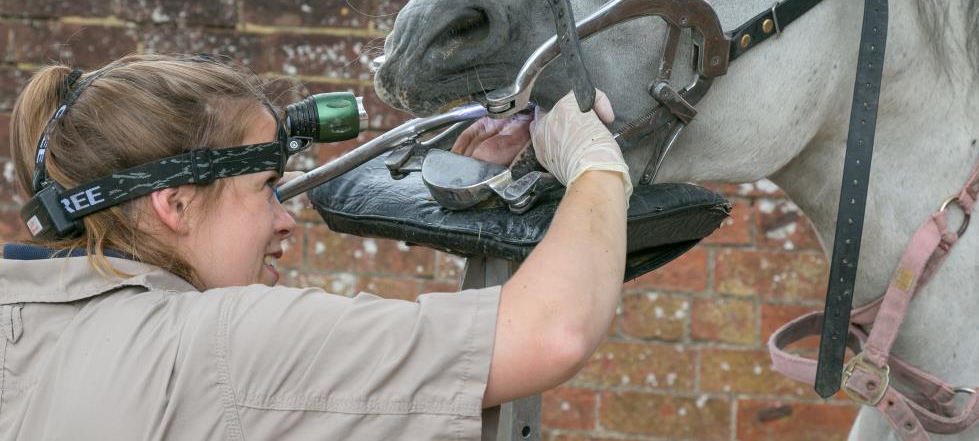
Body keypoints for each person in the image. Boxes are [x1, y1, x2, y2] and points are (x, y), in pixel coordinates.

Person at [0, 53, 631, 440]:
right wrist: (594, 163)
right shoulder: (221, 343)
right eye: (267, 187)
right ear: (177, 205)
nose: (286, 221)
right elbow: (549, 333)